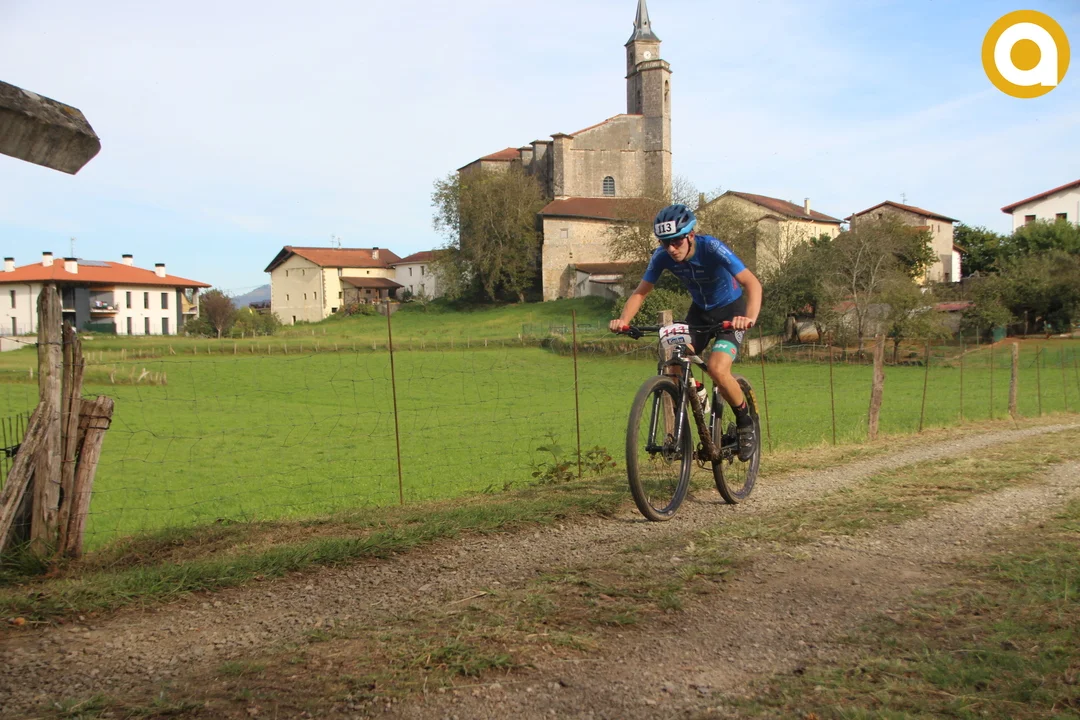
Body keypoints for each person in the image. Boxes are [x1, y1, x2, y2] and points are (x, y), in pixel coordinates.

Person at [609, 203, 762, 460]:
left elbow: (752, 283)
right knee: (676, 362)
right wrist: (623, 320)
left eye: (676, 241)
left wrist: (748, 318)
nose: (671, 248)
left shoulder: (711, 247)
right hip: (699, 313)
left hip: (731, 312)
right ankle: (698, 391)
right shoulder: (662, 256)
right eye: (664, 242)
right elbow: (641, 292)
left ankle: (745, 423)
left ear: (691, 235)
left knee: (718, 368)